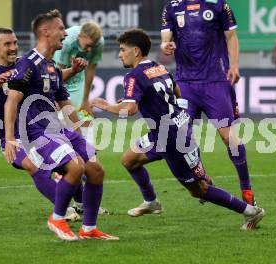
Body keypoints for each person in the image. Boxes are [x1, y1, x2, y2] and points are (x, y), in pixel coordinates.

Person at [92, 28, 264, 230]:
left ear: (136, 51)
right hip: (172, 129)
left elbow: (128, 110)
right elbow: (176, 91)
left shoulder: (133, 76)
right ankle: (152, 202)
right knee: (129, 160)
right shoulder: (158, 67)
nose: (119, 54)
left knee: (199, 190)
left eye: (122, 50)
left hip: (172, 139)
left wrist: (105, 106)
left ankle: (251, 212)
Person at [4, 10, 118, 241]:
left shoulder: (52, 69)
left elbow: (66, 106)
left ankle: (89, 229)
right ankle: (57, 218)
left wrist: (80, 136)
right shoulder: (28, 63)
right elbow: (11, 101)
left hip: (58, 129)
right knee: (75, 168)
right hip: (35, 133)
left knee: (96, 170)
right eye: (61, 28)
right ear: (46, 32)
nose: (65, 33)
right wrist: (8, 139)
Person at [0, 27, 85, 222]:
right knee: (32, 164)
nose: (13, 48)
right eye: (7, 44)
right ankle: (65, 208)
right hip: (11, 136)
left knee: (72, 161)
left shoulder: (24, 64)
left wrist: (74, 70)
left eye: (15, 43)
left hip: (37, 129)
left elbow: (52, 79)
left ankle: (81, 203)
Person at [160, 0, 257, 205]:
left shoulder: (219, 5)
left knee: (227, 136)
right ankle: (203, 178)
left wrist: (235, 65)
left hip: (215, 81)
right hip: (185, 84)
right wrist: (165, 46)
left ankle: (247, 189)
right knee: (184, 136)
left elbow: (231, 37)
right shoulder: (173, 7)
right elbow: (165, 38)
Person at [53, 21, 104, 144]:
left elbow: (91, 69)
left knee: (84, 114)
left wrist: (86, 100)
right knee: (63, 116)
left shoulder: (99, 42)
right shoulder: (67, 42)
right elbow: (59, 76)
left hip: (78, 75)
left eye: (93, 46)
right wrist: (55, 99)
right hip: (58, 71)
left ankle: (88, 150)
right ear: (81, 37)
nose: (90, 49)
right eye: (87, 45)